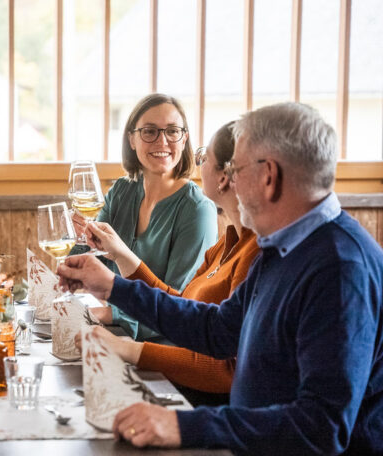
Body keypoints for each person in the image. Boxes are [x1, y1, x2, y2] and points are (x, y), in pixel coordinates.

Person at [58, 102, 383, 454]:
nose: (231, 182)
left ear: (268, 176)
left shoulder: (339, 268)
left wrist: (185, 425)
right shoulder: (285, 245)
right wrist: (113, 287)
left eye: (237, 169)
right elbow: (218, 330)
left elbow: (322, 427)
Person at [77, 121, 260, 405]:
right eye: (149, 132)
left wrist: (127, 349)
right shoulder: (228, 241)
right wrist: (121, 255)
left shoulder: (255, 251)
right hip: (178, 383)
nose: (197, 166)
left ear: (224, 177)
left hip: (203, 403)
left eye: (203, 157)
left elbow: (230, 371)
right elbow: (182, 308)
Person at [84, 93, 217, 341]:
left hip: (163, 353)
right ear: (132, 140)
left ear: (184, 138)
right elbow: (88, 261)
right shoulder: (122, 191)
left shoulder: (197, 210)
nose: (162, 141)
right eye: (149, 131)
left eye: (172, 131)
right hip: (111, 338)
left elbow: (180, 307)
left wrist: (111, 314)